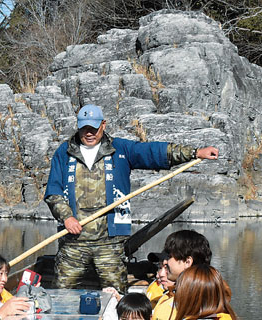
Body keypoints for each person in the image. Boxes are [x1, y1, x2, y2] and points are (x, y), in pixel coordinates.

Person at [44, 104, 219, 292]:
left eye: (93, 128)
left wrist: (195, 153)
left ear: (103, 125)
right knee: (61, 291)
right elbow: (53, 190)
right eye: (84, 128)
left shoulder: (120, 149)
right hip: (73, 241)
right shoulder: (63, 152)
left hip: (110, 242)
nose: (89, 133)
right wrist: (67, 217)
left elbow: (153, 152)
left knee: (115, 292)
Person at [148, 230, 213, 320]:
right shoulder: (175, 295)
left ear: (187, 262)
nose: (165, 262)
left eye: (169, 257)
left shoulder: (195, 303)